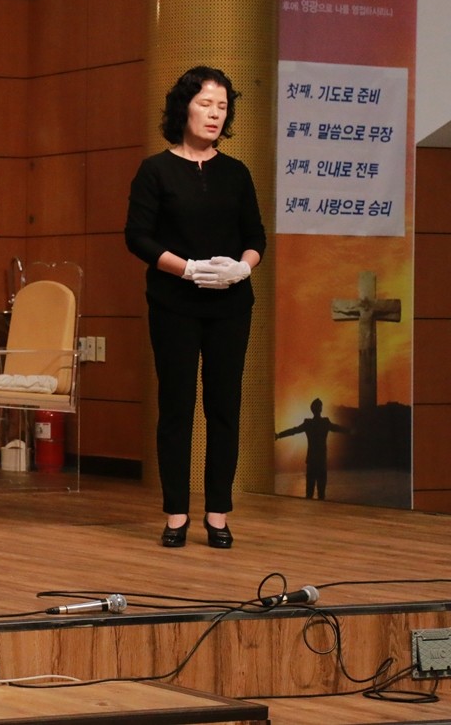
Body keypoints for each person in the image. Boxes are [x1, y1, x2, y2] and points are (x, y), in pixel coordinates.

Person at [125, 66, 266, 550]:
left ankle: (218, 512)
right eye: (206, 104)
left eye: (222, 107)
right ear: (183, 108)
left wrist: (242, 268)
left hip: (231, 304)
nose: (214, 114)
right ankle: (176, 512)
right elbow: (137, 237)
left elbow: (256, 237)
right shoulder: (155, 170)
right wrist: (185, 269)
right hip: (174, 302)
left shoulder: (236, 172)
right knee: (177, 406)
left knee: (224, 405)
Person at [276, 398, 350, 500]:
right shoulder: (325, 423)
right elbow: (338, 428)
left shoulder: (308, 423)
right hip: (321, 462)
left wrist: (279, 435)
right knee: (321, 494)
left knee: (309, 494)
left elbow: (294, 431)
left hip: (311, 461)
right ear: (321, 409)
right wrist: (350, 431)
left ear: (312, 409)